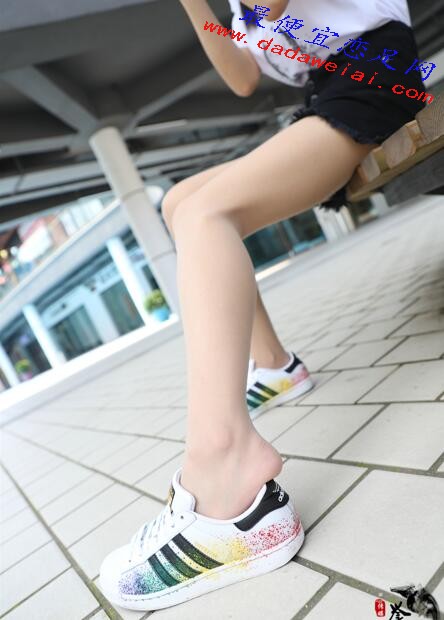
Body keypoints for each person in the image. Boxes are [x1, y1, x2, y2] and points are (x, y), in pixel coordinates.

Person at [100, 0, 426, 611]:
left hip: (374, 74)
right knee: (179, 202)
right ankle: (275, 364)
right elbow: (243, 77)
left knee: (207, 213)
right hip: (329, 94)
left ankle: (225, 466)